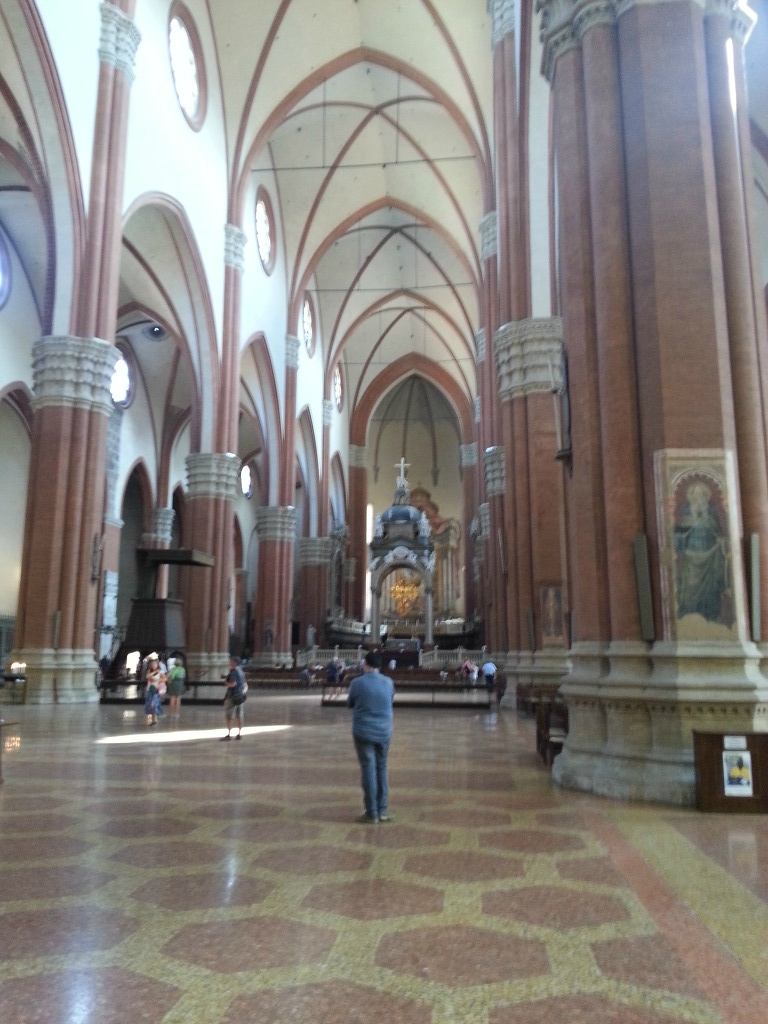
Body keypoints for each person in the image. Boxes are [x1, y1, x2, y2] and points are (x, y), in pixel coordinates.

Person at [346, 651, 395, 824]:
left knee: (368, 769)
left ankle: (371, 812)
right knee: (382, 768)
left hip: (364, 731)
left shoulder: (357, 682)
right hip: (384, 731)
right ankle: (382, 810)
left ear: (365, 664)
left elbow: (350, 703)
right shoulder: (389, 682)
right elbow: (389, 700)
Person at [222, 655, 246, 740]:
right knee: (239, 715)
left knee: (229, 715)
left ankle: (229, 734)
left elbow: (233, 684)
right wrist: (242, 693)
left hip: (232, 696)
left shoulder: (234, 672)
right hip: (240, 697)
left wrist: (226, 683)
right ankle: (239, 734)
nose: (229, 663)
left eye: (230, 661)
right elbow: (245, 685)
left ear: (233, 663)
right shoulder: (241, 672)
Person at [144, 656, 165, 726]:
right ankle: (152, 720)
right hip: (150, 690)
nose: (153, 665)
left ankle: (155, 720)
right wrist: (155, 672)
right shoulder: (149, 671)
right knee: (150, 705)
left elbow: (165, 678)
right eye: (152, 664)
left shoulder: (161, 672)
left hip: (156, 691)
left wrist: (158, 680)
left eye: (155, 664)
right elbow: (147, 676)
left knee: (153, 705)